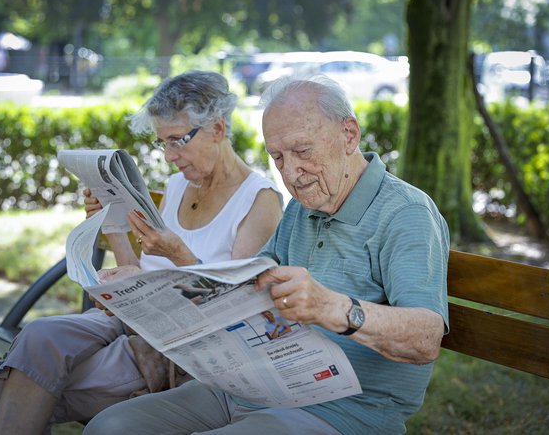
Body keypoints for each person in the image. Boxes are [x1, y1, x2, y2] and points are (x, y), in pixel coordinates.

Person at [84, 75, 450, 435]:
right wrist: (142, 292)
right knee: (110, 426)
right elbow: (238, 291)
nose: (291, 173)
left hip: (339, 412)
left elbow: (426, 337)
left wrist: (333, 308)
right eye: (277, 157)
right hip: (252, 385)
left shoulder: (405, 213)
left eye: (302, 151)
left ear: (349, 135)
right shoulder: (302, 208)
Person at [0, 70, 283, 435]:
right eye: (163, 143)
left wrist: (178, 253)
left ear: (218, 129)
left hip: (184, 347)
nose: (170, 156)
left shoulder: (259, 201)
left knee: (32, 376)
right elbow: (141, 271)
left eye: (177, 141)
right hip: (139, 323)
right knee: (38, 337)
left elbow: (236, 306)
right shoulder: (178, 185)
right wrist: (112, 226)